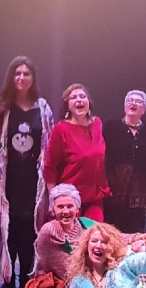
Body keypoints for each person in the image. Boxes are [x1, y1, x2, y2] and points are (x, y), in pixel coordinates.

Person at [0, 56, 55, 288]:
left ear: (33, 78)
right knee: (8, 227)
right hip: (7, 178)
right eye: (17, 73)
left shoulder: (43, 108)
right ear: (11, 77)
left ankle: (27, 276)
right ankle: (8, 279)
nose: (22, 78)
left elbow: (50, 142)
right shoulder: (1, 107)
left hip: (33, 180)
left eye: (26, 74)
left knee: (29, 228)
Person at [43, 83, 109, 222]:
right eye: (73, 97)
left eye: (82, 96)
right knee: (72, 235)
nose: (79, 100)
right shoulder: (61, 129)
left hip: (95, 197)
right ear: (68, 106)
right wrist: (53, 200)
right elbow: (50, 167)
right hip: (69, 199)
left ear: (88, 102)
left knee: (95, 233)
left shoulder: (97, 124)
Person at [103, 90, 146, 233]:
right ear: (125, 106)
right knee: (111, 235)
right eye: (130, 100)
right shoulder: (110, 127)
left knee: (135, 236)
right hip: (113, 195)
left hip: (139, 197)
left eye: (138, 101)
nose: (133, 103)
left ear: (144, 109)